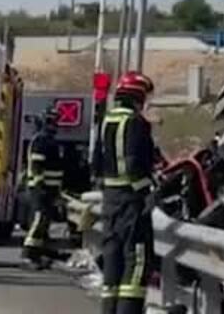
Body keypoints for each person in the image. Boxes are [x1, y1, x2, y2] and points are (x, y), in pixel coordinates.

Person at [94, 70, 158, 314]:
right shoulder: (136, 122)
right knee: (137, 261)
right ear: (138, 95)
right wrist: (148, 191)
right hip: (131, 203)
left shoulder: (107, 121)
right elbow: (133, 166)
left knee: (113, 261)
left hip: (109, 201)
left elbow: (96, 164)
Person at [22, 107, 67, 269]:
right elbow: (36, 165)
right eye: (50, 121)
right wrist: (41, 185)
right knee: (39, 220)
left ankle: (41, 253)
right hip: (40, 188)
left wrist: (57, 191)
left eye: (55, 121)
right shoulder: (40, 140)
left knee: (46, 221)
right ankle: (28, 254)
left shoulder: (50, 141)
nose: (53, 125)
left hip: (50, 189)